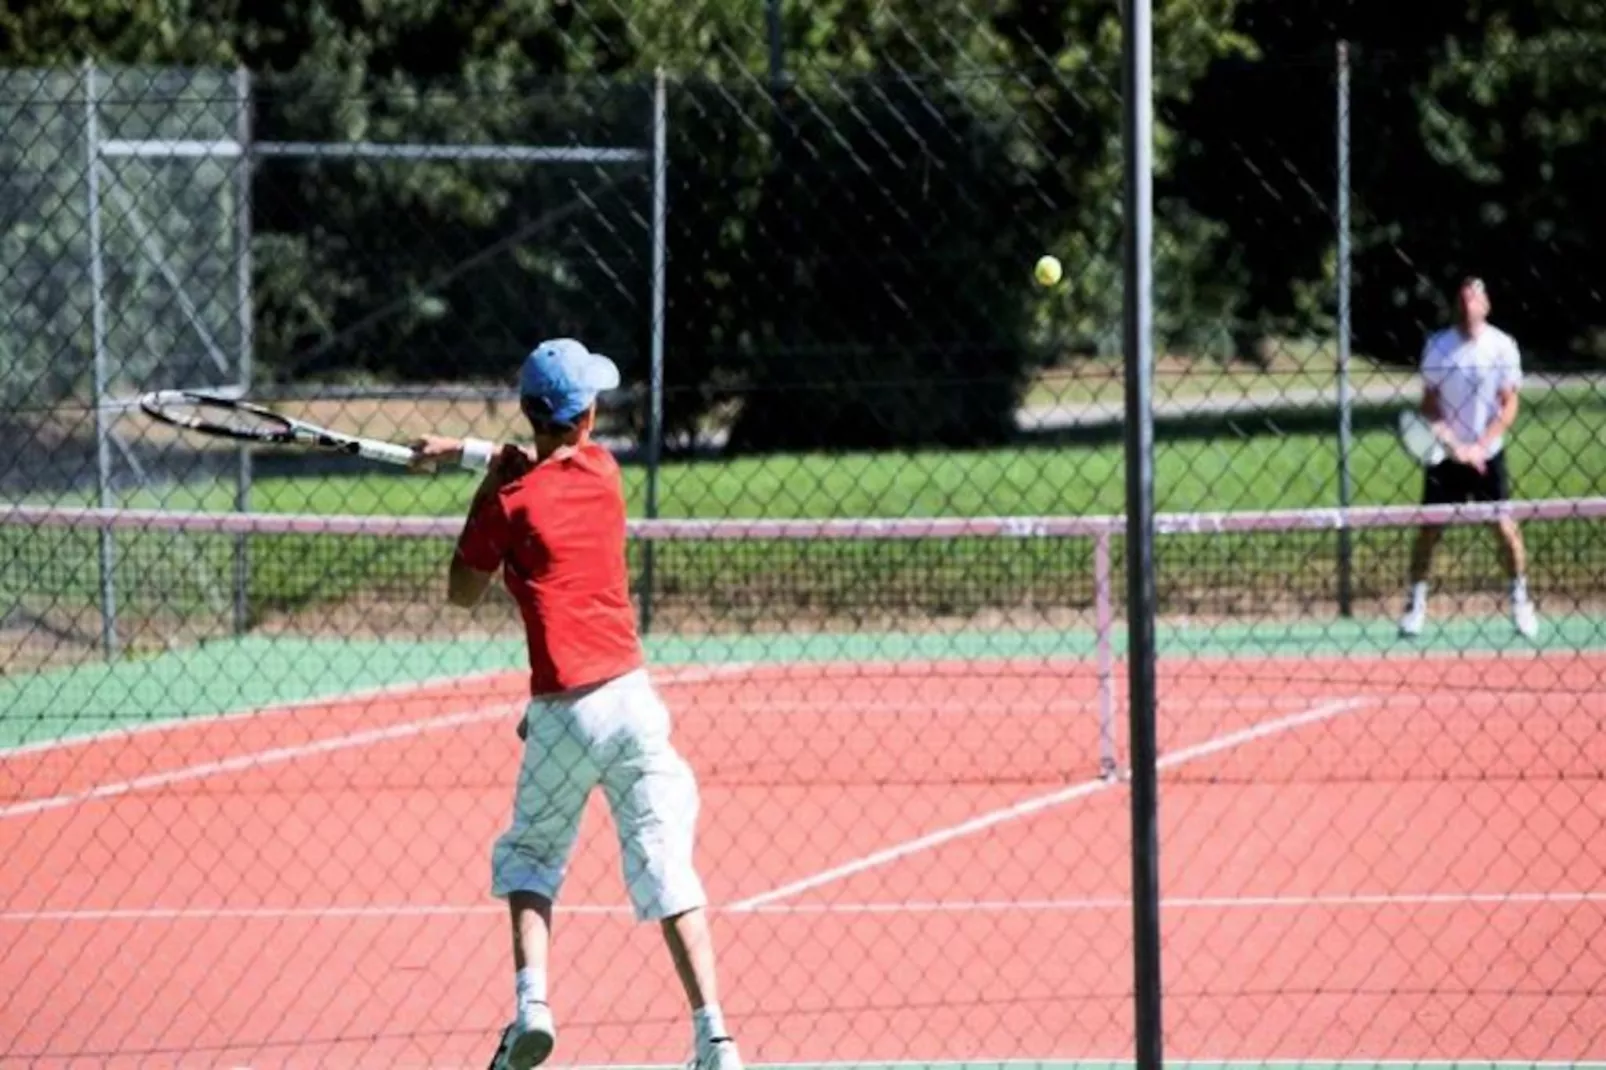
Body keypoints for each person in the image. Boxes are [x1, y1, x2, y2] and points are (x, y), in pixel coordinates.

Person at [411, 339, 743, 1070]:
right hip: (632, 702)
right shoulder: (605, 472)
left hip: (562, 712)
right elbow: (535, 461)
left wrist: (477, 480)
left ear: (532, 414)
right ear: (586, 417)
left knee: (531, 856)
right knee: (667, 868)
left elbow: (462, 592)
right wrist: (472, 454)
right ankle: (713, 1034)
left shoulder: (508, 499)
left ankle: (532, 1006)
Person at [1398, 276, 1538, 639]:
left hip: (1489, 455)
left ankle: (1520, 601)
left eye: (1475, 299)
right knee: (1428, 532)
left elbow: (1509, 405)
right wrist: (1454, 447)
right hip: (1446, 458)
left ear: (1486, 304)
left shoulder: (1503, 346)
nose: (1469, 306)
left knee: (1504, 529)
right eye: (1463, 300)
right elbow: (1429, 407)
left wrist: (1480, 446)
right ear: (1455, 305)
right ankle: (1416, 605)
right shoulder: (1438, 347)